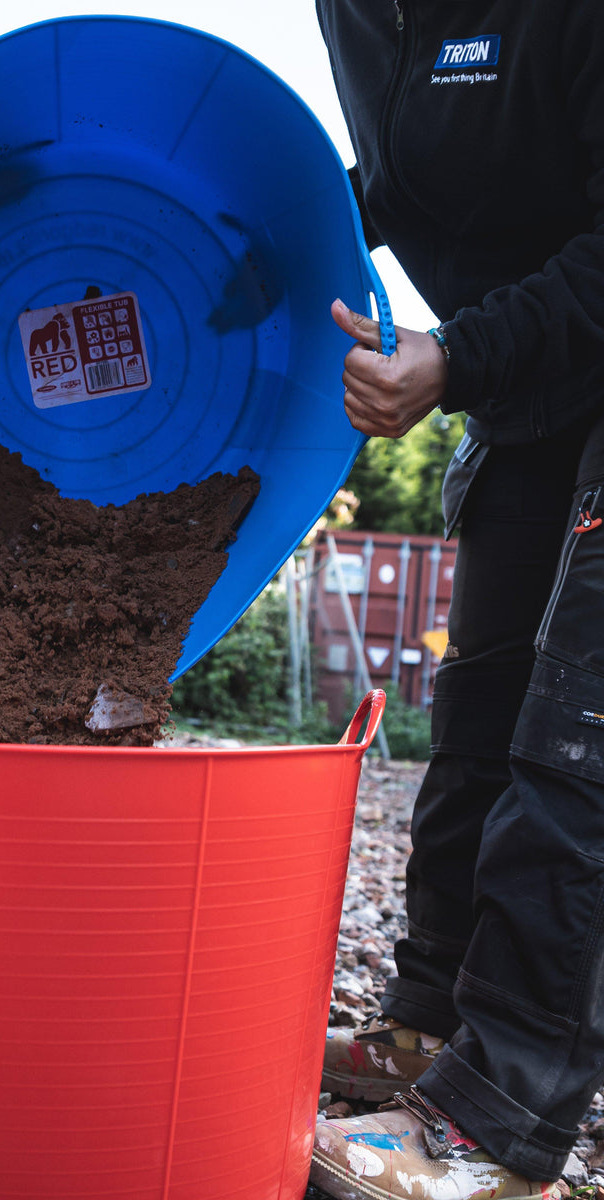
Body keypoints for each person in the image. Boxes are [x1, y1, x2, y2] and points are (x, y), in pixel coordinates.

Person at [307, 3, 604, 1199]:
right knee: (479, 714)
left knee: (576, 741)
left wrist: (457, 354)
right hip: (538, 374)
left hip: (536, 340)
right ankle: (427, 1030)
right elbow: (413, 163)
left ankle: (500, 1122)